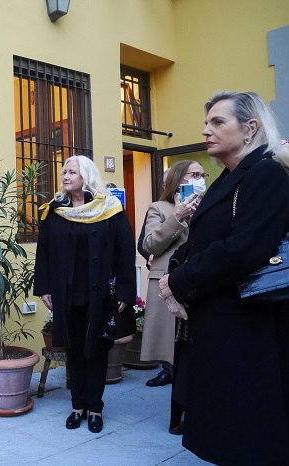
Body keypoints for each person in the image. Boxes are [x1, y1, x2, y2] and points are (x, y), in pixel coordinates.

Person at [159, 91, 289, 465]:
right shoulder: (225, 179)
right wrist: (174, 276)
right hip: (221, 322)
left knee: (248, 428)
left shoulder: (266, 172)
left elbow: (244, 248)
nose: (206, 130)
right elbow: (198, 241)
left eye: (218, 122)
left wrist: (179, 282)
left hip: (249, 326)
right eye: (206, 122)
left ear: (250, 128)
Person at [34, 155, 136, 434]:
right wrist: (43, 287)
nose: (65, 176)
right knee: (74, 350)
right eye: (64, 171)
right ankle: (77, 406)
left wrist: (126, 290)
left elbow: (125, 252)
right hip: (66, 293)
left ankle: (95, 408)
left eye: (72, 172)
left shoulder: (109, 209)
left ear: (86, 176)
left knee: (97, 350)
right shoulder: (54, 211)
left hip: (100, 292)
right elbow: (43, 253)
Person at [141, 160, 202, 391]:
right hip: (167, 280)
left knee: (194, 346)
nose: (200, 178)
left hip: (198, 279)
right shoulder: (159, 207)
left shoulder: (207, 206)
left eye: (201, 174)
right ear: (179, 180)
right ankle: (173, 382)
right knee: (171, 346)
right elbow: (150, 245)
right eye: (194, 174)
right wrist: (177, 216)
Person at [137, 168, 170, 269]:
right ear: (164, 187)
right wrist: (150, 256)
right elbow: (142, 243)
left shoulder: (200, 205)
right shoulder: (156, 208)